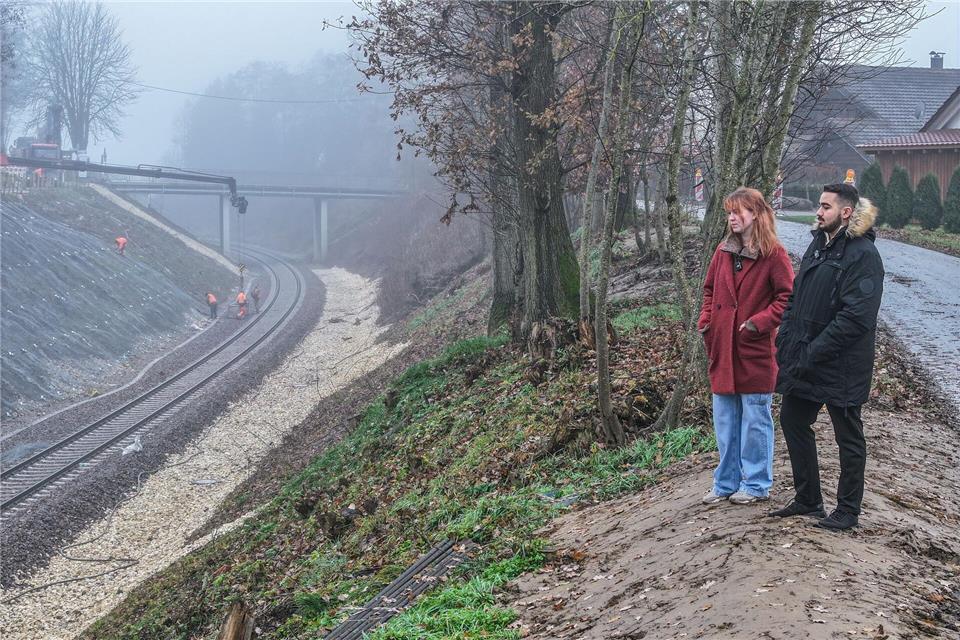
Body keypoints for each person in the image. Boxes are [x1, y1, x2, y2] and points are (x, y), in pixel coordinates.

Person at [770, 183, 883, 531]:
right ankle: (808, 499)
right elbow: (796, 295)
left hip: (842, 364)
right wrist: (786, 337)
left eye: (825, 207)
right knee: (792, 419)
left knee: (847, 436)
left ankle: (847, 510)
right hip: (805, 357)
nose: (818, 212)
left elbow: (856, 318)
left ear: (846, 212)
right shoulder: (819, 244)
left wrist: (814, 351)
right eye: (819, 206)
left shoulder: (863, 254)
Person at [698, 187, 794, 506]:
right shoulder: (723, 250)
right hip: (723, 348)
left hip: (754, 350)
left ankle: (755, 484)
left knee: (755, 420)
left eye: (738, 212)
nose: (732, 218)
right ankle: (725, 481)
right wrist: (707, 323)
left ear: (755, 214)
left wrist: (758, 323)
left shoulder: (774, 254)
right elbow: (709, 290)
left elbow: (787, 298)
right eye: (729, 212)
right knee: (725, 421)